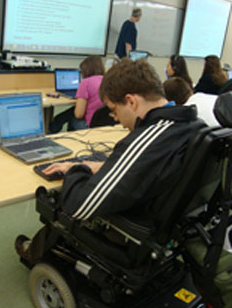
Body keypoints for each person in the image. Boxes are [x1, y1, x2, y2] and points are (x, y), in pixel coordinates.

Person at [43, 58, 206, 220]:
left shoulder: (147, 139)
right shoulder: (193, 124)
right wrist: (108, 167)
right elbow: (149, 170)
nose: (116, 119)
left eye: (114, 111)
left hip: (135, 228)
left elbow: (80, 206)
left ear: (131, 102)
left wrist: (77, 169)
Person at [49, 56, 105, 133]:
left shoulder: (85, 82)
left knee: (69, 114)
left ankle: (51, 131)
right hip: (106, 125)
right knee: (71, 111)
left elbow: (79, 115)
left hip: (89, 127)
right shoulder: (107, 80)